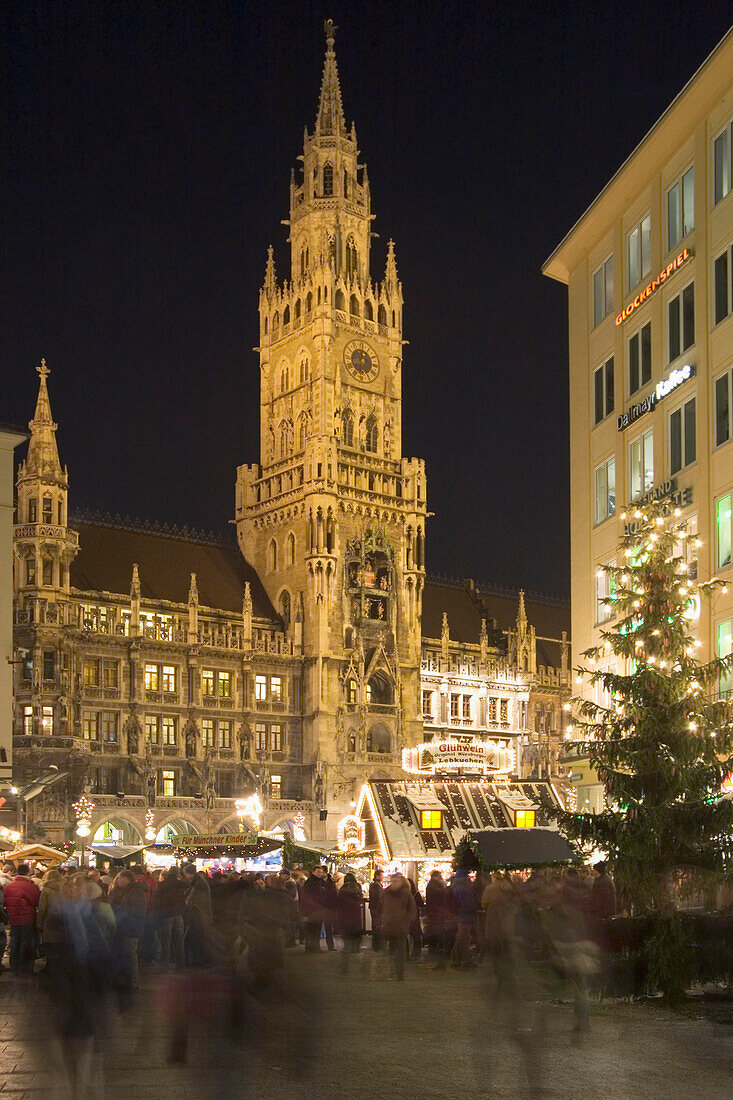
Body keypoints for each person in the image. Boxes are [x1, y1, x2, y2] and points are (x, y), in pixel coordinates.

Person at [109, 869, 147, 992]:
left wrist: (120, 913)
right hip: (127, 927)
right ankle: (127, 981)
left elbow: (136, 911)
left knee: (130, 955)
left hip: (131, 927)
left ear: (126, 878)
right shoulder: (129, 891)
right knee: (127, 955)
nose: (117, 881)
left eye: (119, 878)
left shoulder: (135, 892)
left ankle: (133, 983)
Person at [4, 863, 40, 975]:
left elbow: (5, 902)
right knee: (26, 942)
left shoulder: (9, 886)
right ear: (27, 872)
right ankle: (24, 968)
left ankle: (14, 967)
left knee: (15, 942)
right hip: (27, 918)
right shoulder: (30, 886)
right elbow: (36, 901)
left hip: (13, 918)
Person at [379, 873, 416, 980]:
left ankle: (399, 973)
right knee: (391, 951)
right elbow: (379, 908)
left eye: (396, 881)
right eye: (393, 881)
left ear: (400, 882)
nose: (394, 884)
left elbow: (412, 909)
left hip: (400, 927)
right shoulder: (385, 893)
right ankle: (392, 972)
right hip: (388, 927)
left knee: (400, 951)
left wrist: (407, 922)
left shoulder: (406, 894)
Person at [151, 865, 187, 970]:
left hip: (166, 915)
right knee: (179, 941)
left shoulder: (162, 885)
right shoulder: (182, 884)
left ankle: (164, 965)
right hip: (178, 915)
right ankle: (180, 965)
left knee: (165, 941)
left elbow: (156, 899)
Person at [182, 863, 213, 966]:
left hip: (198, 917)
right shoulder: (198, 883)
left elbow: (199, 902)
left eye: (185, 873)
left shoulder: (199, 884)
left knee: (197, 940)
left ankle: (199, 961)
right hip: (198, 916)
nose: (185, 876)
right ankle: (198, 960)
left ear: (190, 873)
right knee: (197, 940)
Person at [450, 869, 478, 968]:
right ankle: (459, 960)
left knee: (463, 938)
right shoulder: (463, 888)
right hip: (464, 916)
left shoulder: (458, 887)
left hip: (461, 916)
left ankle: (462, 960)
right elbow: (467, 904)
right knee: (463, 938)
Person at [336, 872, 363, 974]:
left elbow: (339, 904)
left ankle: (344, 966)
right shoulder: (357, 888)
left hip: (345, 917)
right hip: (355, 916)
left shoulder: (343, 889)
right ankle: (355, 950)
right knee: (355, 935)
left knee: (347, 939)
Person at [425, 869, 451, 969]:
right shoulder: (435, 886)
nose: (441, 878)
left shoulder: (431, 886)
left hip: (435, 914)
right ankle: (440, 960)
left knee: (438, 936)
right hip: (438, 915)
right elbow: (442, 895)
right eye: (440, 876)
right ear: (436, 877)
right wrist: (445, 886)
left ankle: (439, 960)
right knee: (439, 936)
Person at [300, 865, 329, 952]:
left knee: (314, 929)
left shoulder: (317, 882)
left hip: (316, 909)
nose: (320, 874)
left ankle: (311, 947)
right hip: (314, 909)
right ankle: (314, 947)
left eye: (320, 872)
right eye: (318, 872)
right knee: (314, 929)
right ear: (313, 872)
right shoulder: (311, 882)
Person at [406, 878, 424, 960]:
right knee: (416, 935)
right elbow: (421, 904)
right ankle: (416, 952)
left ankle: (409, 952)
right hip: (414, 917)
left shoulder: (404, 894)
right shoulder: (416, 894)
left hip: (406, 918)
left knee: (408, 935)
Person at [368, 868, 384, 951]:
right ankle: (377, 946)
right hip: (376, 909)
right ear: (377, 876)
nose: (383, 877)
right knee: (377, 926)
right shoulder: (375, 886)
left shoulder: (376, 885)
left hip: (375, 908)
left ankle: (377, 945)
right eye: (381, 875)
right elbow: (378, 897)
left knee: (376, 926)